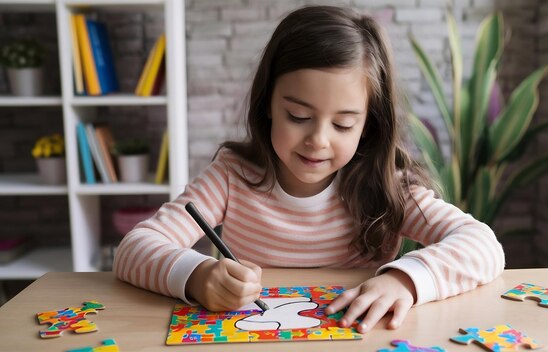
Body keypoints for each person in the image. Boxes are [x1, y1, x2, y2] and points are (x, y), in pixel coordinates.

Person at [113, 5, 505, 333]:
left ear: (368, 124)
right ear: (268, 104)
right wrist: (197, 276)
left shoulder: (386, 186)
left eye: (343, 124)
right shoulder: (231, 176)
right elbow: (133, 249)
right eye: (298, 115)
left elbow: (483, 245)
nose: (318, 139)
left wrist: (405, 279)